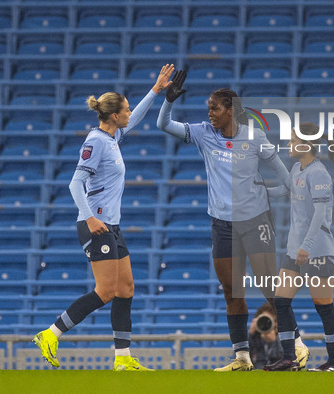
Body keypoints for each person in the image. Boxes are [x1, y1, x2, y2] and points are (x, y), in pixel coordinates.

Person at [157, 72, 309, 371]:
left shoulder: (254, 137)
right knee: (231, 290)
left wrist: (266, 190)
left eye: (214, 108)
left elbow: (286, 179)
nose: (209, 113)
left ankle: (298, 346)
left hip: (255, 221)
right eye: (208, 108)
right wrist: (168, 100)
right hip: (222, 225)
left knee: (270, 288)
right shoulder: (203, 133)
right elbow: (163, 124)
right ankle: (241, 358)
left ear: (230, 109)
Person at [32, 64, 175, 371]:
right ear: (113, 116)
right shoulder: (96, 141)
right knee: (106, 290)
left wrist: (156, 89)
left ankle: (122, 359)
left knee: (126, 289)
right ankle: (51, 333)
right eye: (124, 110)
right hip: (95, 225)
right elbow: (75, 183)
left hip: (111, 225)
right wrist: (89, 218)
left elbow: (134, 120)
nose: (128, 113)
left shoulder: (111, 138)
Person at [264, 122, 334, 372]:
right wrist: (257, 191)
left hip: (316, 250)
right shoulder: (298, 168)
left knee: (323, 307)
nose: (288, 144)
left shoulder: (319, 173)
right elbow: (284, 190)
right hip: (295, 251)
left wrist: (307, 246)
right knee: (281, 300)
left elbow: (320, 214)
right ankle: (289, 358)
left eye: (291, 140)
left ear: (306, 144)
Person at [249, 302, 282, 369]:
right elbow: (241, 360)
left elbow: (283, 364)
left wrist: (274, 342)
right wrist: (250, 335)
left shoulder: (288, 338)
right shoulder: (254, 337)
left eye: (274, 321)